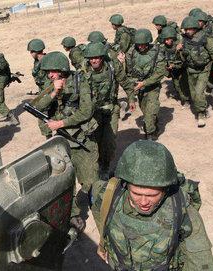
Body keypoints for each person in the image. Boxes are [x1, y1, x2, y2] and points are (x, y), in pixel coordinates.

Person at [91, 140, 213, 271]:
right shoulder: (109, 194)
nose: (144, 202)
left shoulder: (182, 210)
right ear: (125, 184)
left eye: (152, 195)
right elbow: (97, 206)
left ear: (165, 189)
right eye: (136, 193)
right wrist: (103, 241)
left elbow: (201, 260)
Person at [32, 51, 99, 230]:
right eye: (48, 72)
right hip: (61, 141)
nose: (50, 75)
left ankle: (98, 207)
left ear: (61, 69)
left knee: (90, 180)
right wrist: (54, 91)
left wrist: (61, 122)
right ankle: (74, 214)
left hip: (81, 139)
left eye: (52, 71)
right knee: (64, 180)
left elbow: (86, 111)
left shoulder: (80, 81)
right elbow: (36, 106)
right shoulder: (50, 84)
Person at [83, 42, 133, 180]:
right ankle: (96, 166)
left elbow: (125, 82)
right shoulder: (83, 71)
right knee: (95, 141)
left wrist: (132, 98)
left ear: (102, 57)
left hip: (111, 109)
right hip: (93, 112)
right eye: (91, 58)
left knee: (109, 142)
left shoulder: (113, 66)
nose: (94, 60)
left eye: (97, 57)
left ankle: (105, 166)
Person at [124, 29, 166, 140]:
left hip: (152, 86)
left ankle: (150, 135)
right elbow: (128, 72)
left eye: (144, 45)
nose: (141, 47)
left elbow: (160, 72)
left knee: (150, 112)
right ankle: (153, 124)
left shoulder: (157, 52)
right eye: (139, 45)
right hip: (138, 87)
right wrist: (132, 94)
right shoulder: (131, 52)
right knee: (145, 110)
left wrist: (145, 83)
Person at [179, 16, 213, 127]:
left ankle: (201, 113)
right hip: (191, 69)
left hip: (204, 69)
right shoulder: (183, 39)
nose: (187, 31)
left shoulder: (206, 38)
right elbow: (180, 56)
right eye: (185, 29)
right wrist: (178, 50)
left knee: (198, 92)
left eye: (189, 29)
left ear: (195, 28)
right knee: (194, 95)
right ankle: (203, 107)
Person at [27, 38, 52, 138]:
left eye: (31, 51)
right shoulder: (38, 61)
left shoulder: (46, 61)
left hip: (48, 92)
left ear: (35, 51)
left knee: (41, 114)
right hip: (44, 91)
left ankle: (49, 137)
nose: (30, 54)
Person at [160, 26, 190, 106]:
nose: (166, 42)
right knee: (177, 85)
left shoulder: (180, 45)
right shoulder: (163, 47)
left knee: (184, 84)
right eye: (165, 40)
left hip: (182, 68)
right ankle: (183, 97)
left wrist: (181, 50)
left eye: (168, 40)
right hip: (173, 70)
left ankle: (186, 99)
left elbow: (184, 59)